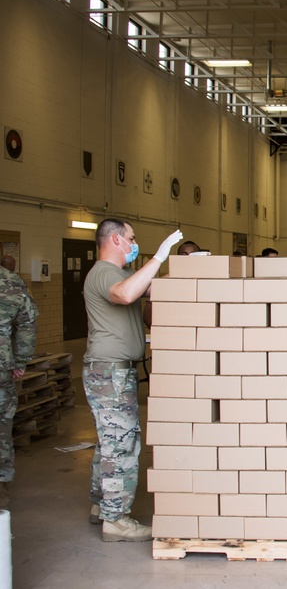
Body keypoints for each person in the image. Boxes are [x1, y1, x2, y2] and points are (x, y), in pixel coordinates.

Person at [84, 219, 182, 542]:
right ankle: (116, 520)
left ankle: (101, 506)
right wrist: (159, 256)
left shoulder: (121, 274)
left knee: (107, 442)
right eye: (132, 238)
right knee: (121, 445)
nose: (135, 243)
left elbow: (150, 286)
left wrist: (185, 271)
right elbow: (127, 295)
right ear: (116, 239)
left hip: (114, 370)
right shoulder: (103, 274)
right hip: (109, 372)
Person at [0, 261, 38, 508]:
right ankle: (1, 488)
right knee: (2, 427)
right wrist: (21, 359)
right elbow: (27, 319)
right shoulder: (9, 280)